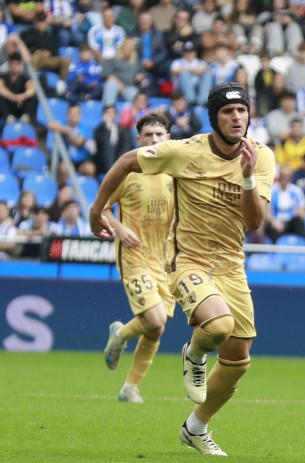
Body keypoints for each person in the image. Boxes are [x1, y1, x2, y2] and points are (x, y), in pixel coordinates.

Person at [89, 82, 275, 456]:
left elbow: (255, 222)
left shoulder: (261, 156)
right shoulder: (183, 151)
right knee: (218, 326)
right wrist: (97, 211)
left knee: (238, 360)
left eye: (241, 111)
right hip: (189, 261)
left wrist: (249, 176)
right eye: (227, 112)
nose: (236, 118)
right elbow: (127, 161)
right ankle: (194, 353)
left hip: (232, 266)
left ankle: (196, 427)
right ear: (214, 118)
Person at [102, 112, 174, 403]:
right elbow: (102, 209)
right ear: (139, 140)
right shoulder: (127, 172)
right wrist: (120, 229)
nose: (154, 140)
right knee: (155, 321)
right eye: (148, 136)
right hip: (134, 256)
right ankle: (119, 336)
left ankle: (130, 387)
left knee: (156, 329)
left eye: (159, 135)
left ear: (168, 139)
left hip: (165, 260)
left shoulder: (174, 173)